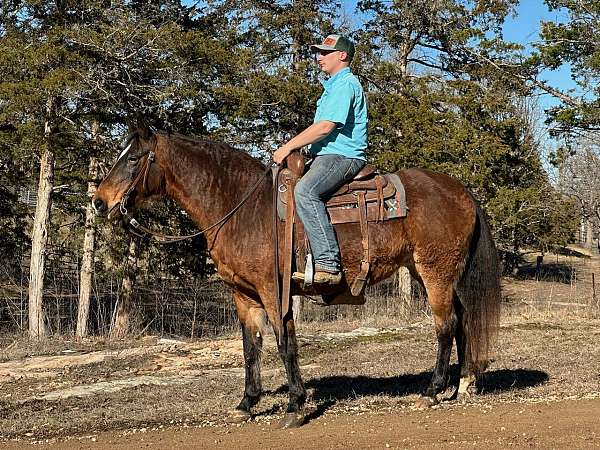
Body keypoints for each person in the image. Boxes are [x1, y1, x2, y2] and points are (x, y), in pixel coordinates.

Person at [273, 34, 368, 285]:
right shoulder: (332, 87)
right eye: (318, 52)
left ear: (342, 55)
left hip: (342, 155)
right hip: (325, 155)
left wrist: (288, 147)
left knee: (305, 192)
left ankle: (328, 263)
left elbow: (326, 127)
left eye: (325, 53)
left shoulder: (345, 84)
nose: (319, 57)